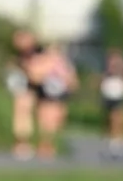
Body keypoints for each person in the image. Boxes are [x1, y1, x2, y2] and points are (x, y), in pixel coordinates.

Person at [31, 43, 77, 160]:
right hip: (45, 94)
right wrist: (45, 72)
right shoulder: (41, 62)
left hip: (60, 96)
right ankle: (44, 145)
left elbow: (73, 82)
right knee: (45, 120)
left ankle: (50, 143)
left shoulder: (65, 65)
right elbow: (34, 77)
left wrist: (66, 79)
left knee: (56, 120)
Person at [6, 28, 42, 160]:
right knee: (21, 116)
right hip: (22, 87)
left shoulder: (34, 54)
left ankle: (24, 144)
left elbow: (35, 73)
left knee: (24, 116)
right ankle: (21, 144)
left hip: (28, 88)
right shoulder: (22, 54)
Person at [100, 47, 123, 160]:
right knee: (109, 121)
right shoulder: (106, 71)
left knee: (119, 119)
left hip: (119, 97)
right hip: (109, 97)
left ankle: (120, 144)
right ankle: (110, 144)